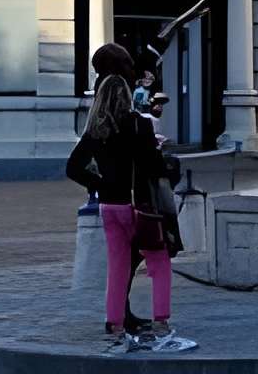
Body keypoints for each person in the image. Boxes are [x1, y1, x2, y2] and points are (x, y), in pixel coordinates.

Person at [66, 70, 196, 355]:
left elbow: (73, 167)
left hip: (109, 206)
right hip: (138, 205)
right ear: (126, 96)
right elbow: (152, 166)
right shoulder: (138, 124)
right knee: (158, 260)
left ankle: (115, 326)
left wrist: (100, 184)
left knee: (118, 266)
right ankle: (161, 323)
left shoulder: (95, 129)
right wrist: (158, 150)